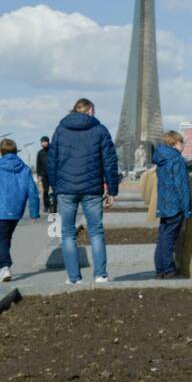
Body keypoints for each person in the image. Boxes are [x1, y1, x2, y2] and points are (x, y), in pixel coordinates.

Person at [47, 98, 119, 285]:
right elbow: (110, 161)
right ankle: (100, 275)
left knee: (68, 233)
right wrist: (112, 189)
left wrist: (56, 187)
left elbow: (52, 161)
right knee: (96, 231)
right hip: (92, 189)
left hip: (66, 190)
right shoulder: (100, 130)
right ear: (90, 110)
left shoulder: (60, 130)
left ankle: (73, 278)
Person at [0, 138, 40, 282]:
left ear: (1, 151)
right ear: (15, 151)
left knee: (2, 240)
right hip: (16, 210)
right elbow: (33, 191)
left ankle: (6, 267)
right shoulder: (25, 169)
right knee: (5, 239)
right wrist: (34, 212)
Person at [152, 129, 192, 278]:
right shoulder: (177, 160)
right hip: (175, 205)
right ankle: (169, 270)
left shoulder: (161, 158)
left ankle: (159, 270)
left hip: (164, 204)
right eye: (182, 143)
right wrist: (187, 208)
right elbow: (182, 185)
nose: (183, 146)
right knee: (169, 239)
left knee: (163, 237)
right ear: (176, 143)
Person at [35, 136, 53, 214]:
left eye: (45, 142)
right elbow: (38, 165)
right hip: (44, 175)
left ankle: (53, 205)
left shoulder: (53, 151)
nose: (44, 143)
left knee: (55, 191)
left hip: (53, 174)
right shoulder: (40, 153)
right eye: (42, 142)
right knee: (45, 191)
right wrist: (39, 175)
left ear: (48, 142)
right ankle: (46, 207)